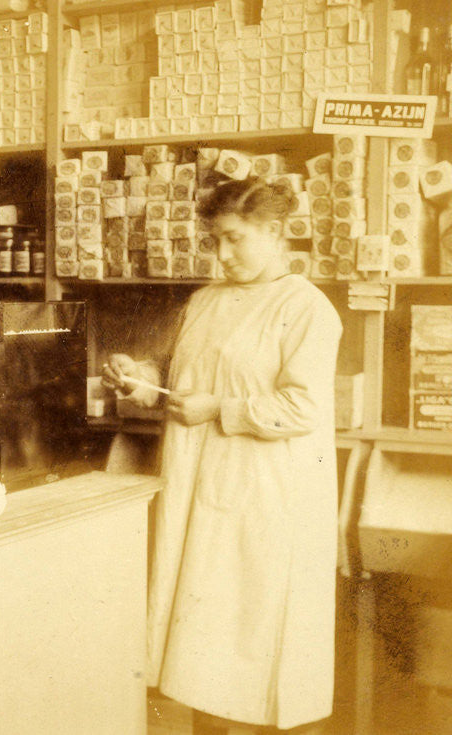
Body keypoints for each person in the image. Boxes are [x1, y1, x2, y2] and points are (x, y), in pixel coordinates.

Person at [104, 178, 342, 734]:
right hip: (196, 488)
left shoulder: (306, 307)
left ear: (276, 232)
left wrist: (217, 409)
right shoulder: (205, 300)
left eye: (235, 239)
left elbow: (301, 409)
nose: (222, 254)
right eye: (215, 241)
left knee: (251, 641)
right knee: (201, 645)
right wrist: (140, 377)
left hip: (262, 497)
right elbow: (177, 374)